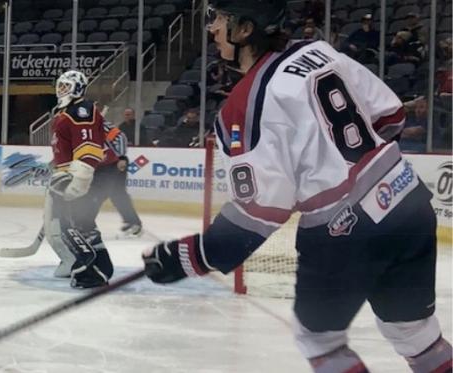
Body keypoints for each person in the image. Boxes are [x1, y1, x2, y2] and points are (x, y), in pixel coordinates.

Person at [141, 1, 452, 372]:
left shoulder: (242, 107)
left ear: (244, 29)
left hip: (344, 231)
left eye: (217, 19)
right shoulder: (317, 51)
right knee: (414, 332)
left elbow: (258, 215)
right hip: (407, 202)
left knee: (320, 340)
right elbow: (391, 116)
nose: (210, 29)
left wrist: (189, 256)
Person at [44, 70, 114, 288]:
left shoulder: (82, 111)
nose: (60, 90)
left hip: (84, 177)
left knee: (78, 225)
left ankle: (97, 270)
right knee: (74, 225)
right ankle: (88, 267)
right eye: (60, 86)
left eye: (66, 86)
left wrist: (79, 181)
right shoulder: (67, 112)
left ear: (77, 89)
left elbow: (89, 150)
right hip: (71, 175)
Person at [72, 121, 144, 238]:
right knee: (117, 194)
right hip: (100, 165)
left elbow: (120, 136)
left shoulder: (97, 124)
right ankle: (133, 222)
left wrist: (120, 157)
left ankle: (86, 226)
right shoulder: (76, 128)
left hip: (113, 163)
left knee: (97, 193)